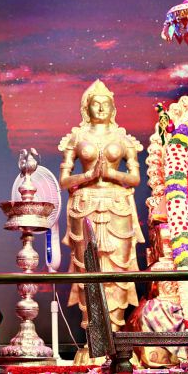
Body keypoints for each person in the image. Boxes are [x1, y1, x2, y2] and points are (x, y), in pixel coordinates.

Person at [58, 79, 144, 336]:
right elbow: (64, 180)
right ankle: (93, 340)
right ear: (86, 109)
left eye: (106, 103)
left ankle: (115, 338)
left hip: (118, 206)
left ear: (113, 108)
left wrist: (110, 173)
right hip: (85, 205)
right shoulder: (77, 138)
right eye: (95, 104)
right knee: (88, 269)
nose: (101, 108)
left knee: (118, 269)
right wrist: (88, 176)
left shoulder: (123, 138)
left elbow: (135, 179)